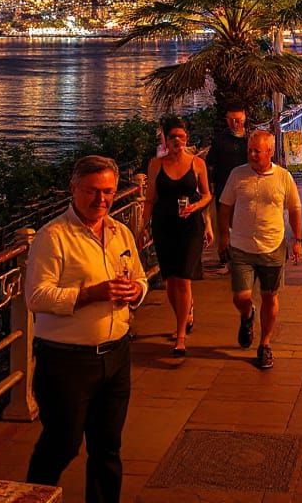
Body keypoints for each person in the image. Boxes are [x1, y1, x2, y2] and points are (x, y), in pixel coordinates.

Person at [25, 155, 149, 503]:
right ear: (74, 190)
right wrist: (89, 295)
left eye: (108, 191)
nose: (102, 200)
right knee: (61, 445)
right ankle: (34, 495)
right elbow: (36, 296)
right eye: (92, 191)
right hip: (67, 361)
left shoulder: (119, 231)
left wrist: (136, 292)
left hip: (116, 354)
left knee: (108, 448)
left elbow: (139, 277)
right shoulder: (53, 237)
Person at [218, 130, 302, 370]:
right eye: (250, 150)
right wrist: (224, 235)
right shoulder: (238, 175)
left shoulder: (283, 177)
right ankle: (247, 315)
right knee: (241, 296)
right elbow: (225, 206)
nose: (252, 155)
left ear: (270, 152)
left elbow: (295, 209)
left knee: (269, 296)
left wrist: (297, 239)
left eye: (257, 151)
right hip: (241, 246)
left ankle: (265, 344)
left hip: (273, 246)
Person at [140, 116, 213, 356]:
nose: (177, 141)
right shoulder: (155, 165)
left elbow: (207, 195)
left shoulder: (196, 164)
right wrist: (143, 226)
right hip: (164, 225)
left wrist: (198, 210)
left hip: (190, 225)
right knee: (170, 281)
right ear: (166, 140)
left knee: (183, 278)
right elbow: (150, 199)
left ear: (186, 139)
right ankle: (185, 312)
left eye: (181, 137)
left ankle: (181, 334)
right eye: (173, 137)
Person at [203, 103, 248, 275]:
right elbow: (210, 162)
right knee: (225, 225)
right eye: (232, 120)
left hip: (245, 189)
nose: (235, 124)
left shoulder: (249, 139)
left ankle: (243, 259)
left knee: (242, 223)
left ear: (244, 118)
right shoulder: (220, 140)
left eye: (238, 120)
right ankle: (227, 259)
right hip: (224, 188)